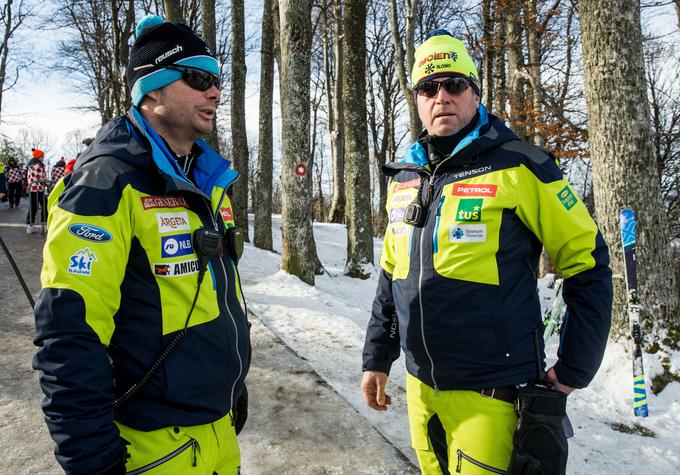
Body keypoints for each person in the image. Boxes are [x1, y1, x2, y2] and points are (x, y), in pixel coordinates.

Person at [360, 30, 612, 474]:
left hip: (491, 396)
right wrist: (378, 358)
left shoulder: (522, 164)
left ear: (475, 93)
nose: (442, 97)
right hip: (420, 392)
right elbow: (391, 273)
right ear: (417, 100)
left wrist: (575, 368)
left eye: (455, 85)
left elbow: (588, 264)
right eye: (429, 87)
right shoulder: (404, 178)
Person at [33, 15, 250, 475]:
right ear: (151, 91)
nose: (214, 91)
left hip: (217, 433)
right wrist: (90, 456)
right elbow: (68, 332)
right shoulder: (105, 182)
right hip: (152, 448)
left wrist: (230, 382)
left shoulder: (206, 177)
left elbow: (215, 298)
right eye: (198, 78)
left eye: (216, 80)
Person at [25, 148, 48, 233]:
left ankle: (30, 225)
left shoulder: (33, 164)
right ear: (39, 156)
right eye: (42, 156)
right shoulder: (37, 165)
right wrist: (47, 182)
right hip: (37, 189)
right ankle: (42, 223)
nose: (43, 158)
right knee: (44, 205)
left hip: (35, 188)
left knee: (34, 207)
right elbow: (40, 176)